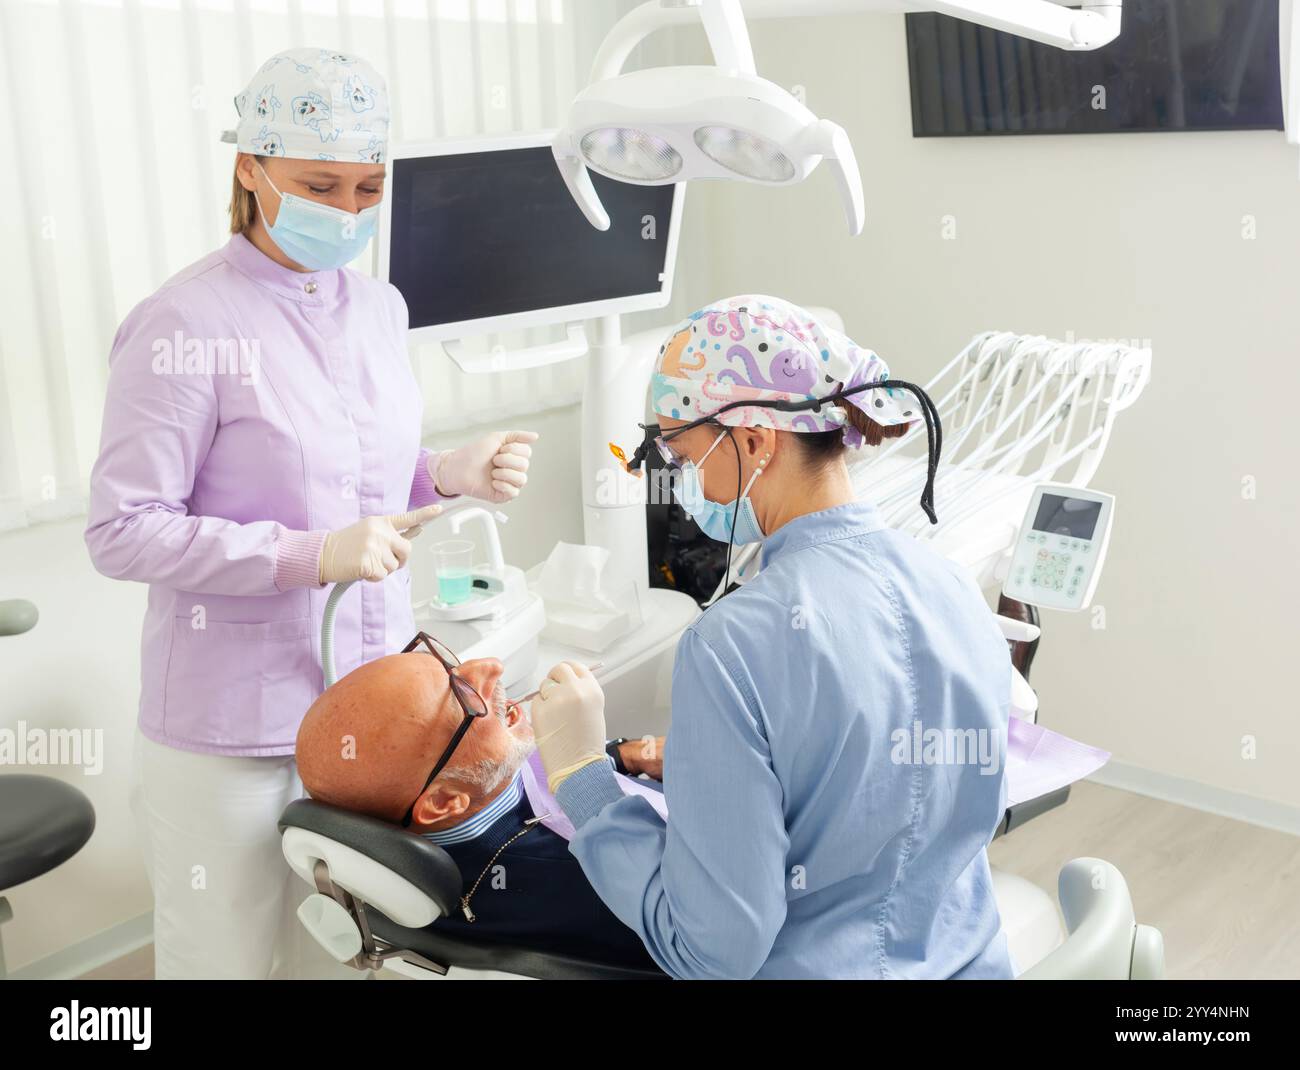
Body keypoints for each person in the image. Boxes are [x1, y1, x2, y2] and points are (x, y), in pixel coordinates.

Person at [85, 47, 537, 979]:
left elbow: (354, 480)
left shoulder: (379, 308)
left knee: (351, 957)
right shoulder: (184, 324)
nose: (347, 210)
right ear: (250, 168)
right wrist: (309, 555)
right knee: (229, 963)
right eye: (319, 182)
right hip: (233, 732)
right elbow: (124, 527)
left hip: (371, 718)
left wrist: (444, 473)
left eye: (369, 187)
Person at [530, 294, 1014, 979]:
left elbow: (714, 951)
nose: (677, 476)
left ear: (755, 441)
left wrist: (582, 779)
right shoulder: (952, 585)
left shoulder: (730, 645)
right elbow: (913, 789)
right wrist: (730, 768)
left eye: (684, 450)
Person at [295, 640, 667, 970]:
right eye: (461, 694)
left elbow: (524, 779)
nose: (490, 665)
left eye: (446, 666)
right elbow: (707, 913)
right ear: (443, 803)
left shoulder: (476, 790)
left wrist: (621, 755)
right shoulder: (568, 877)